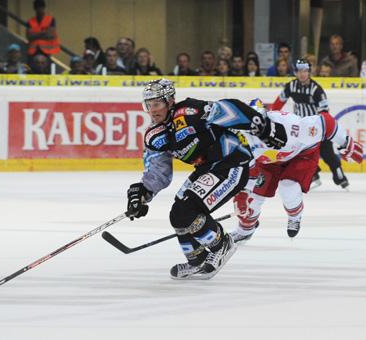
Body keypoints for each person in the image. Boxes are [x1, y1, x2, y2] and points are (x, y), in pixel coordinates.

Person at [125, 79, 288, 280]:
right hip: (208, 169)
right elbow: (158, 171)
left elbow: (229, 108)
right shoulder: (154, 135)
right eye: (148, 105)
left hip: (232, 161)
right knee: (177, 214)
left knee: (186, 211)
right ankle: (197, 260)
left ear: (170, 101)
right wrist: (143, 192)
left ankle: (222, 244)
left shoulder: (189, 112)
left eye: (157, 104)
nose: (153, 110)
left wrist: (264, 127)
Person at [230, 99, 363, 241]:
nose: (259, 129)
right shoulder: (243, 140)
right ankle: (244, 230)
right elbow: (250, 172)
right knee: (253, 199)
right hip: (269, 162)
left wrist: (346, 143)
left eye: (261, 123)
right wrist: (243, 194)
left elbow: (327, 123)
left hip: (301, 154)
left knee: (288, 188)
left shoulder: (293, 127)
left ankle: (295, 215)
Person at [271, 58, 350, 189]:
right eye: (299, 71)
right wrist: (272, 117)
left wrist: (322, 129)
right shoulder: (291, 86)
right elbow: (278, 103)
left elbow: (325, 112)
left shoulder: (316, 89)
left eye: (305, 71)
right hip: (300, 128)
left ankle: (340, 178)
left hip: (317, 126)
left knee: (327, 153)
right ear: (295, 72)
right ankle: (314, 176)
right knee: (297, 153)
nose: (302, 74)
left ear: (309, 72)